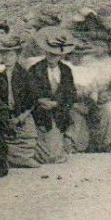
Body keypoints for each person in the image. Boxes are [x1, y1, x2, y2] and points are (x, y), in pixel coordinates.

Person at [25, 27, 76, 164]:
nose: (52, 57)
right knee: (46, 152)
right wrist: (39, 100)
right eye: (50, 53)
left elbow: (71, 94)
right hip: (40, 113)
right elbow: (29, 91)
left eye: (56, 54)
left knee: (54, 152)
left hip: (60, 112)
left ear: (61, 55)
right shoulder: (35, 69)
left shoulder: (66, 71)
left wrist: (57, 104)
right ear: (45, 52)